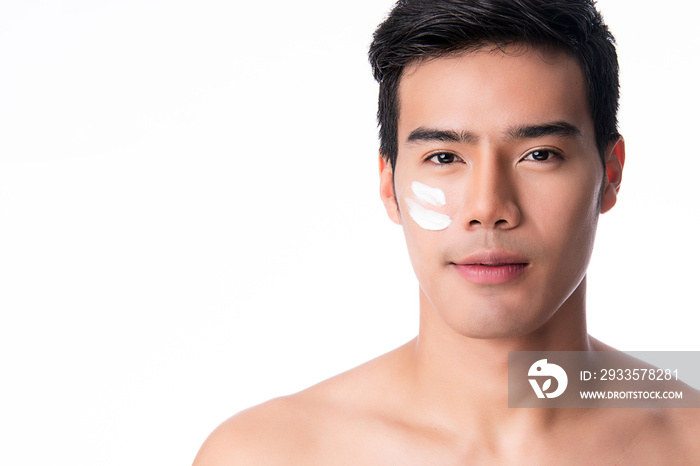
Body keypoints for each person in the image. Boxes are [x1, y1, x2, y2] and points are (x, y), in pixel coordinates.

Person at [193, 0, 700, 463]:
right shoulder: (268, 455)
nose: (488, 208)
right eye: (444, 157)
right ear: (389, 185)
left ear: (610, 173)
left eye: (538, 155)